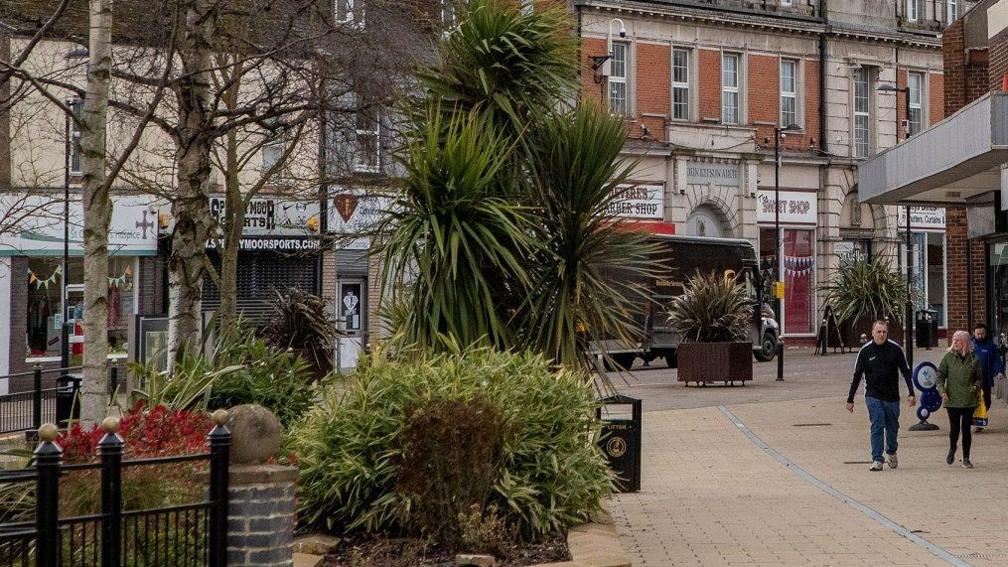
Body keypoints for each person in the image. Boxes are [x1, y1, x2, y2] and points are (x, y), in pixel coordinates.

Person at [846, 320, 916, 472]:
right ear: (872, 333)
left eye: (884, 332)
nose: (881, 335)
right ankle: (877, 459)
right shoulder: (865, 351)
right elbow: (857, 375)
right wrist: (850, 399)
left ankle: (891, 451)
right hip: (872, 394)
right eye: (878, 332)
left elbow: (906, 371)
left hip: (892, 396)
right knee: (877, 424)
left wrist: (911, 392)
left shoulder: (895, 349)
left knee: (892, 427)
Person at [937, 330, 985, 468]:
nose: (955, 342)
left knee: (966, 429)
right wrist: (942, 390)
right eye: (954, 339)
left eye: (958, 340)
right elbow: (940, 375)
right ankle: (952, 448)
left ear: (965, 342)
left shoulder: (974, 359)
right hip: (952, 399)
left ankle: (966, 457)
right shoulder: (948, 358)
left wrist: (975, 388)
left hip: (969, 399)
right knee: (954, 429)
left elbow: (979, 378)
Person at [970, 323, 1004, 432]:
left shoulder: (990, 346)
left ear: (985, 333)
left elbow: (996, 360)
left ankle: (979, 419)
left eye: (982, 333)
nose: (980, 336)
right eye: (978, 334)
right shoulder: (970, 345)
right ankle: (975, 420)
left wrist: (999, 371)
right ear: (974, 333)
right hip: (972, 380)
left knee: (987, 401)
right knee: (973, 401)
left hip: (986, 379)